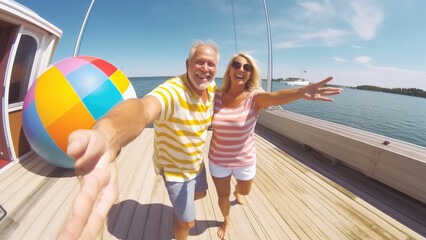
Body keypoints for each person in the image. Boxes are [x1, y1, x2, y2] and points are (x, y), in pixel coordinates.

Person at [57, 40, 219, 240]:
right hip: (177, 171)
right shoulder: (174, 91)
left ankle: (181, 208)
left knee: (200, 195)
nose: (205, 68)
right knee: (186, 223)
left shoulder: (211, 89)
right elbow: (143, 108)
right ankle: (181, 223)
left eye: (211, 64)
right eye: (199, 62)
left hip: (196, 163)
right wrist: (109, 134)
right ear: (188, 64)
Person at [208, 52, 343, 239]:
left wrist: (301, 92)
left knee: (245, 190)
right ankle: (226, 220)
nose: (241, 69)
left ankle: (237, 191)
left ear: (250, 74)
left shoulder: (255, 98)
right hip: (218, 159)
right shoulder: (215, 96)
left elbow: (276, 96)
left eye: (247, 67)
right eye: (237, 64)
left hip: (244, 159)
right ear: (230, 68)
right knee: (222, 197)